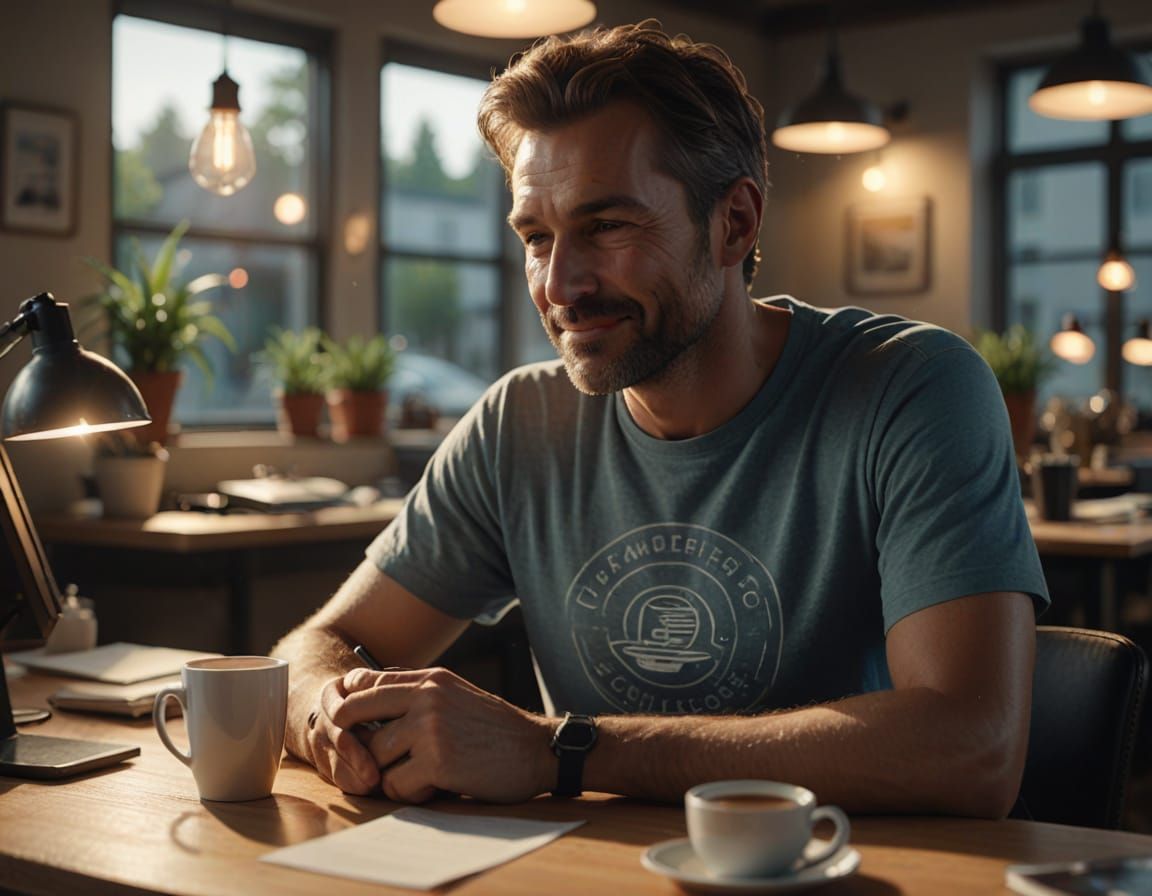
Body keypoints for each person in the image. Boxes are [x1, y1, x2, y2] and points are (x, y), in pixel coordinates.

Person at [272, 21, 1048, 816]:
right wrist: (327, 712)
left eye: (606, 226)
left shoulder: (911, 387)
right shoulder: (518, 422)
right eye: (537, 237)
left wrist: (559, 748)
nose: (561, 283)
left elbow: (971, 745)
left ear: (735, 224)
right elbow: (315, 648)